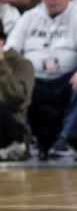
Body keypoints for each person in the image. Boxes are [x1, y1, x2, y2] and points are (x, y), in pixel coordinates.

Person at [4, 0, 77, 158]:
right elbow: (9, 50)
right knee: (11, 80)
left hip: (67, 79)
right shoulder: (29, 17)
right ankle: (27, 139)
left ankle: (66, 138)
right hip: (35, 81)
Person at [0, 22, 33, 161]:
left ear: (1, 41)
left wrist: (1, 64)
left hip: (12, 125)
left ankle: (15, 149)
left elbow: (17, 99)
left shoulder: (21, 65)